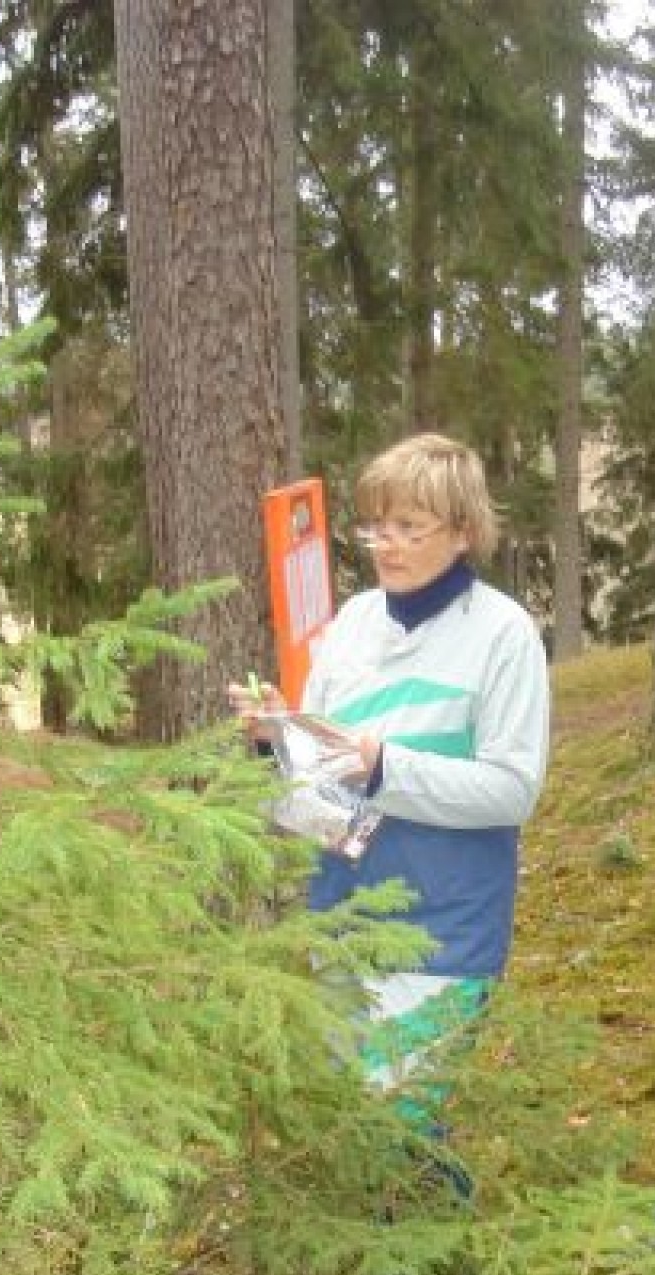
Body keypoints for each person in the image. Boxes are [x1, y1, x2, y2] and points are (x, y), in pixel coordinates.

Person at [230, 433, 550, 1145]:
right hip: (342, 915)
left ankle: (445, 1257)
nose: (386, 544)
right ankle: (390, 1254)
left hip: (446, 929)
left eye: (410, 527)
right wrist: (276, 739)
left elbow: (512, 790)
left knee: (398, 1125)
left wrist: (385, 767)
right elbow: (316, 789)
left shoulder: (503, 635)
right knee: (349, 1130)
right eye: (376, 525)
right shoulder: (349, 627)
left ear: (462, 532)